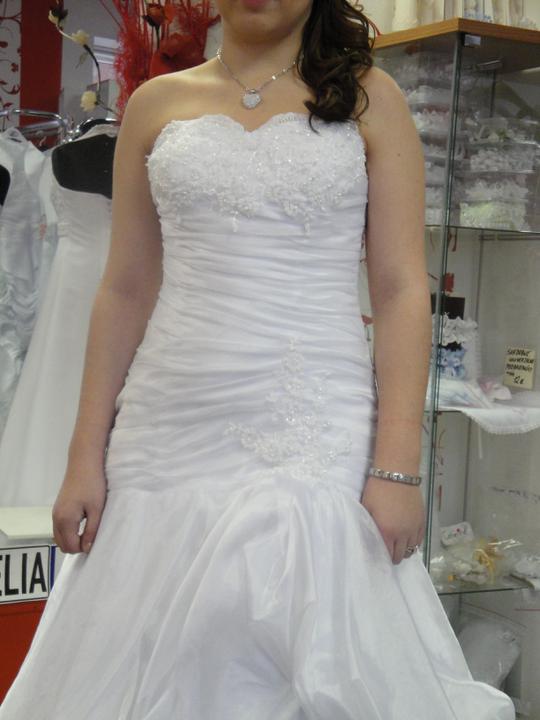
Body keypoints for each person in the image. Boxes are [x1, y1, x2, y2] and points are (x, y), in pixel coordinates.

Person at [0, 1, 516, 718]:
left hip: (315, 427)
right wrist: (84, 454)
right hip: (167, 428)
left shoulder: (372, 98)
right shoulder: (155, 104)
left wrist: (397, 465)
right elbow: (124, 289)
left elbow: (402, 290)